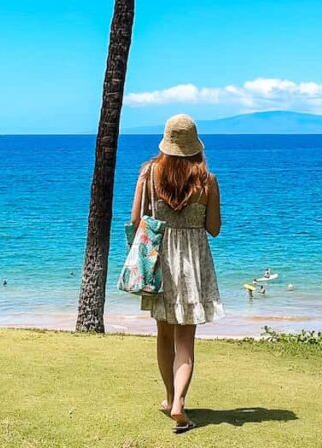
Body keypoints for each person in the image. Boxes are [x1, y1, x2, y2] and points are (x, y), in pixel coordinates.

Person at [130, 114, 222, 435]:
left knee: (164, 335)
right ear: (195, 146)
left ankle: (169, 399)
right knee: (186, 339)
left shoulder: (149, 173)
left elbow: (136, 220)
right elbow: (214, 229)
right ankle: (180, 403)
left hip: (160, 262)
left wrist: (148, 193)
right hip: (193, 266)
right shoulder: (207, 180)